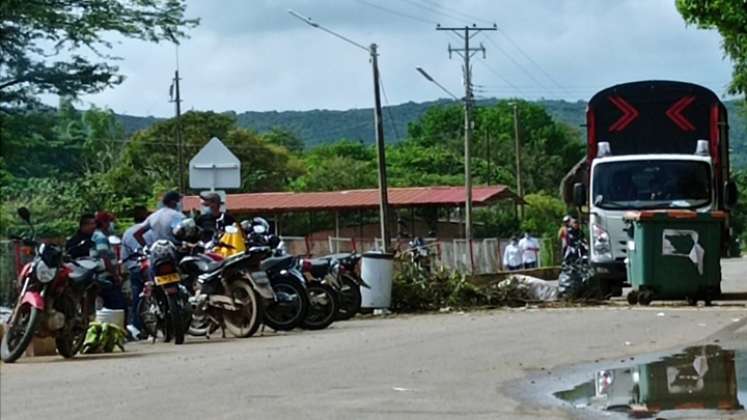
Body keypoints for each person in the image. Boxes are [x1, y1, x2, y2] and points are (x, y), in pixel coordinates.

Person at [121, 205, 151, 338]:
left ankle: (137, 327)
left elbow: (124, 256)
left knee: (136, 298)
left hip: (134, 267)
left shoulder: (127, 232)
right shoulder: (151, 231)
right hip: (150, 267)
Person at [92, 211, 127, 311]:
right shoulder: (100, 237)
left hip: (101, 276)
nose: (111, 225)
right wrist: (116, 276)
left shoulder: (96, 235)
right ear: (103, 223)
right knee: (118, 307)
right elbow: (104, 258)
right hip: (106, 277)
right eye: (109, 222)